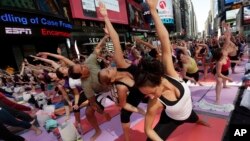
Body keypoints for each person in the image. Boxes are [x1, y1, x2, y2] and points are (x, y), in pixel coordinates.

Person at [134, 1, 209, 140]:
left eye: (150, 93)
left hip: (188, 112)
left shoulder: (170, 74)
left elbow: (164, 40)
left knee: (194, 118)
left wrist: (153, 11)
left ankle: (198, 121)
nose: (150, 98)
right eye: (147, 96)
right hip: (172, 119)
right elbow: (148, 130)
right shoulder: (154, 102)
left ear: (158, 80)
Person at [97, 3, 146, 141]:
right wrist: (140, 111)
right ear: (111, 80)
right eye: (107, 72)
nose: (108, 68)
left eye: (105, 68)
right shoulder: (120, 87)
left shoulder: (121, 64)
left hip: (149, 87)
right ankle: (127, 138)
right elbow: (123, 104)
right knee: (124, 115)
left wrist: (105, 16)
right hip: (136, 96)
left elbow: (116, 39)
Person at [68, 33, 112, 141]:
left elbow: (97, 48)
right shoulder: (85, 84)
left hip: (113, 83)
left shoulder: (89, 62)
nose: (84, 65)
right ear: (81, 75)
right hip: (102, 92)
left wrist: (106, 36)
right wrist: (103, 113)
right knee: (88, 112)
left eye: (81, 65)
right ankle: (98, 130)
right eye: (82, 68)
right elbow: (92, 103)